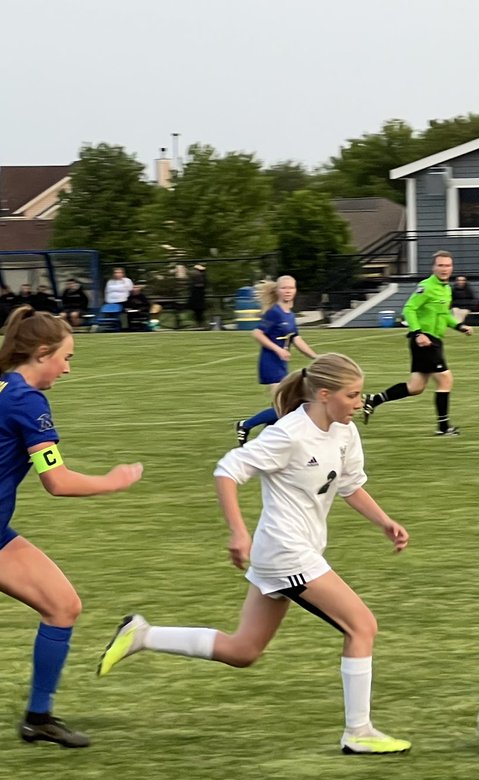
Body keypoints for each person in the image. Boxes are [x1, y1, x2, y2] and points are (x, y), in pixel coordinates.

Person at [97, 353, 413, 755]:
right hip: (287, 553)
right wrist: (237, 531)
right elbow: (227, 470)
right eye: (352, 395)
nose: (358, 403)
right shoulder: (290, 434)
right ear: (324, 393)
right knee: (362, 626)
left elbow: (349, 485)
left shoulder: (345, 433)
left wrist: (384, 522)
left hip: (292, 552)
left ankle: (142, 635)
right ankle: (359, 731)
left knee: (243, 650)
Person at [0, 306, 143, 747]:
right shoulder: (25, 400)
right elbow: (57, 482)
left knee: (62, 606)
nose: (67, 368)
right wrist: (112, 481)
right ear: (42, 353)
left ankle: (38, 717)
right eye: (66, 357)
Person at [361, 251, 473, 435]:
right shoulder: (426, 286)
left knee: (416, 387)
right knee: (445, 379)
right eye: (441, 265)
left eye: (447, 265)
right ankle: (444, 428)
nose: (444, 269)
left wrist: (459, 326)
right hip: (424, 341)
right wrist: (418, 333)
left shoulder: (446, 289)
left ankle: (374, 400)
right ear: (434, 267)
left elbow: (444, 314)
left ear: (452, 268)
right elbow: (409, 309)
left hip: (435, 340)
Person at [234, 276, 319, 446]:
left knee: (283, 408)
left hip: (281, 365)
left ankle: (263, 443)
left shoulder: (289, 315)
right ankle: (245, 425)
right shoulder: (275, 312)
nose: (288, 291)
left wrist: (316, 357)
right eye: (284, 288)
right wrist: (278, 349)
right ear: (277, 290)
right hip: (270, 363)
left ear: (295, 291)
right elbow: (257, 333)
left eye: (291, 288)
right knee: (283, 408)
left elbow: (296, 339)